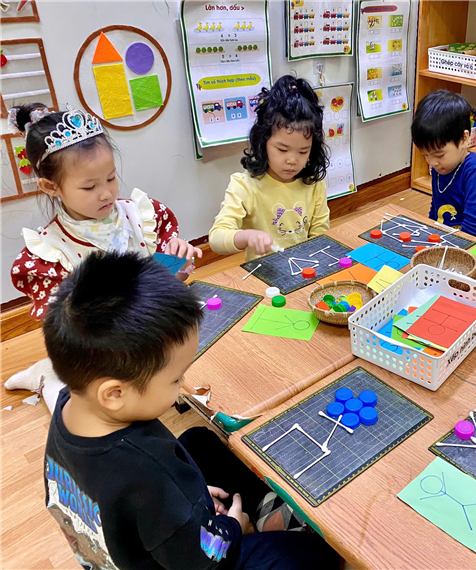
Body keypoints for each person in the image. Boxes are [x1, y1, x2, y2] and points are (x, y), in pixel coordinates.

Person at [43, 251, 339, 570]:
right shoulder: (150, 474)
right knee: (313, 555)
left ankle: (240, 513)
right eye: (175, 379)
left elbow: (133, 501)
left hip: (142, 533)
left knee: (198, 440)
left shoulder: (72, 402)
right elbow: (203, 559)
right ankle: (262, 521)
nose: (183, 384)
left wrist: (186, 504)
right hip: (196, 559)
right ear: (115, 394)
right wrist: (231, 527)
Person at [4, 103, 201, 412]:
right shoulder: (51, 251)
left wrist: (176, 259)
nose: (106, 193)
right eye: (89, 186)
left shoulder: (140, 215)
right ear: (50, 186)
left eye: (111, 178)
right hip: (101, 350)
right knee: (79, 409)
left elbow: (162, 277)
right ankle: (45, 376)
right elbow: (68, 332)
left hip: (149, 332)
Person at [209, 75, 330, 261]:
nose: (292, 160)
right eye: (282, 150)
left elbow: (320, 235)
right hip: (263, 273)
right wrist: (247, 236)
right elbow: (217, 237)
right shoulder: (244, 185)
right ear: (263, 142)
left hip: (305, 267)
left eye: (303, 151)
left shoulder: (313, 184)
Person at [411, 90, 476, 251]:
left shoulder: (474, 169)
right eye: (425, 155)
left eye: (439, 154)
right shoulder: (440, 166)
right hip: (447, 231)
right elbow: (435, 206)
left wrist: (456, 250)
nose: (432, 162)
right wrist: (430, 229)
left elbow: (474, 222)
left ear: (464, 139)